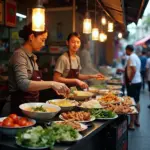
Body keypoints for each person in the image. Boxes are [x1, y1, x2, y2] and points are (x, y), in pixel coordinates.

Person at [8, 23, 69, 114]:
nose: (44, 44)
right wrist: (51, 83)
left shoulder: (32, 57)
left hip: (32, 108)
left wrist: (56, 86)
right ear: (32, 37)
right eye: (42, 40)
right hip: (19, 110)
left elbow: (37, 82)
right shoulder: (19, 55)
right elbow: (23, 84)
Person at [125, 45, 142, 130]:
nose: (125, 52)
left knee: (132, 102)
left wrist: (130, 80)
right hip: (138, 81)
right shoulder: (136, 57)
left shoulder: (131, 57)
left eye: (126, 50)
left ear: (128, 50)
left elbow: (134, 70)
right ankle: (137, 121)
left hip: (134, 83)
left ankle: (131, 124)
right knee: (137, 101)